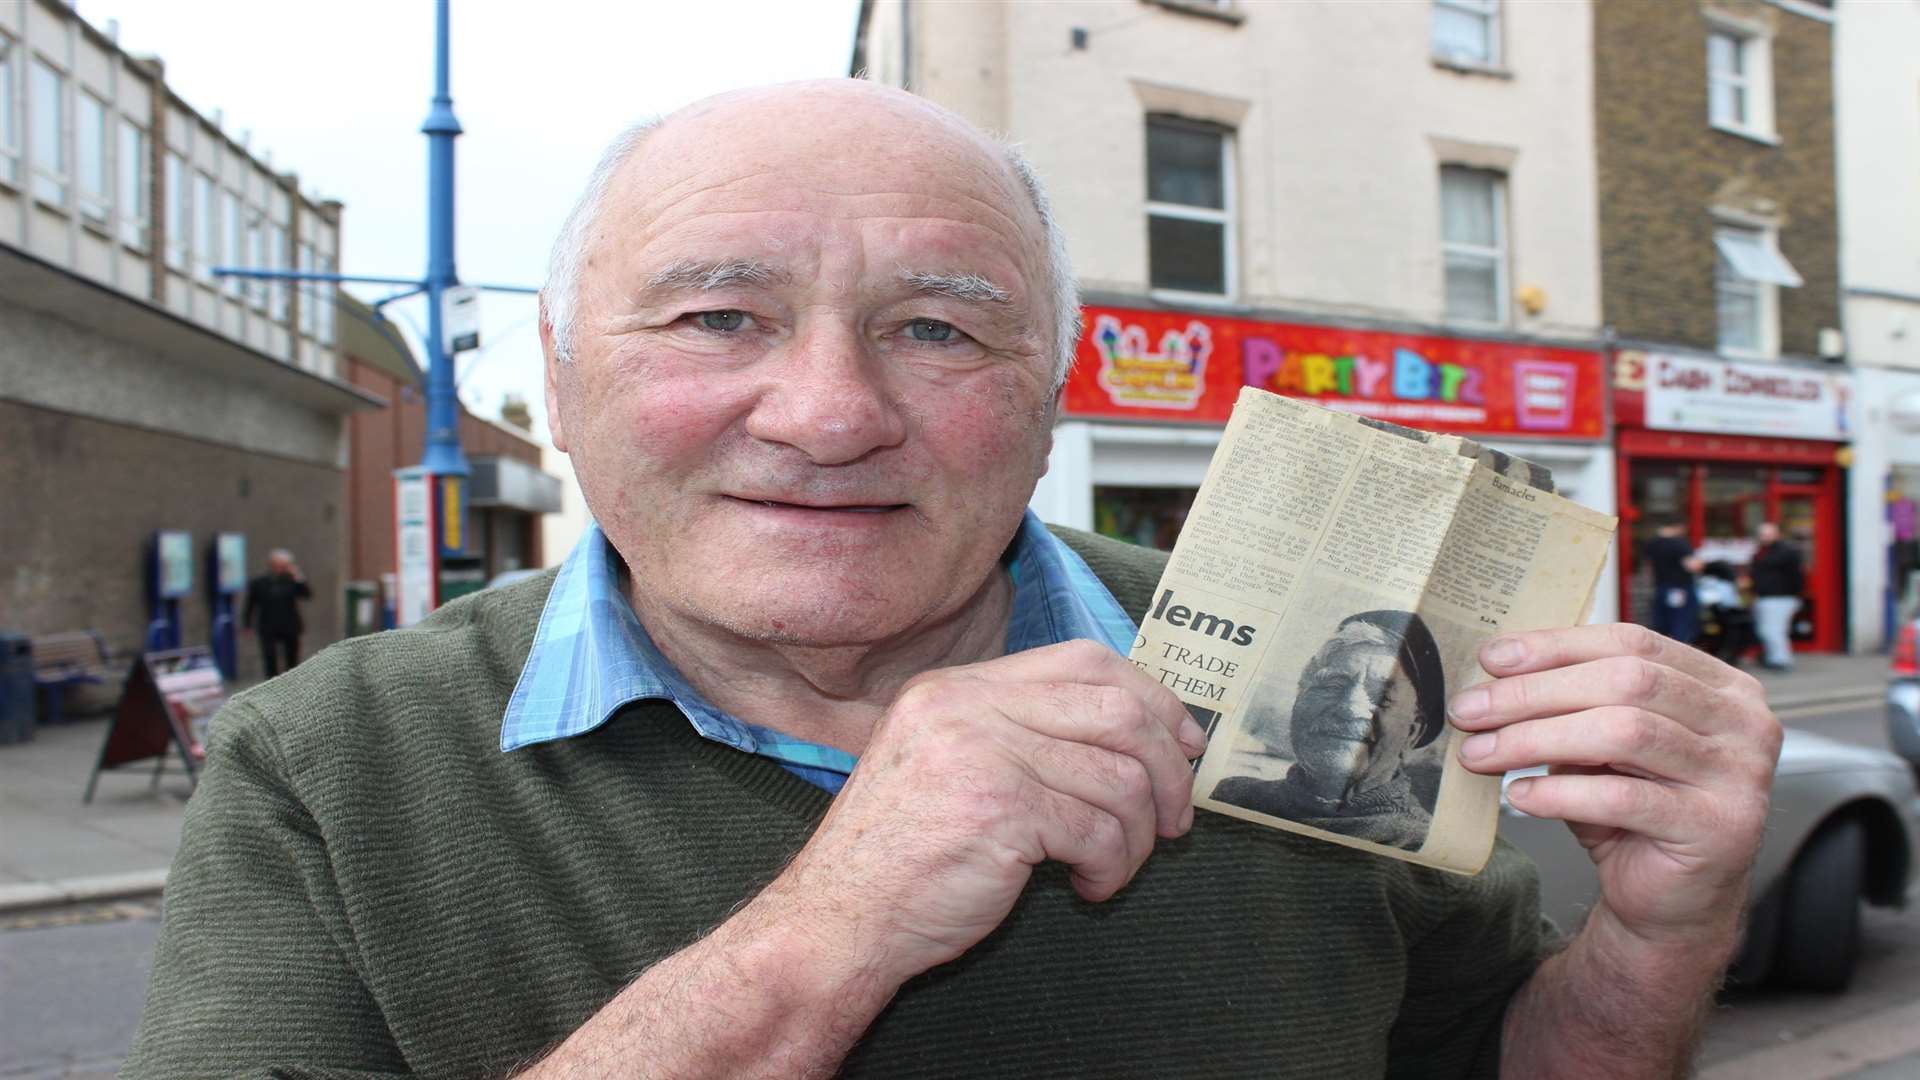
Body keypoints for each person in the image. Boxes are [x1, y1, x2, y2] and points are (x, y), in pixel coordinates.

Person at [126, 80, 1782, 1079]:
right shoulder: (320, 769)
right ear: (560, 383)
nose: (833, 413)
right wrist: (820, 937)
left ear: (1050, 387)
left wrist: (1660, 933)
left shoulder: (1297, 665)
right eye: (719, 318)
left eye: (938, 328)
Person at [1211, 609, 1444, 850]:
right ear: (1300, 697)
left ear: (1413, 732)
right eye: (1332, 684)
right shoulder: (1232, 796)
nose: (1349, 708)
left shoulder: (1419, 843)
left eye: (1381, 696)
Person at [241, 548, 310, 678]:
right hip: (268, 625)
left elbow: (306, 594)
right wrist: (247, 624)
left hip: (290, 625)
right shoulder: (259, 582)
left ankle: (291, 683)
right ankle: (271, 684)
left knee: (292, 658)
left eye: (283, 565)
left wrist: (298, 576)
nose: (279, 568)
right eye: (276, 565)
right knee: (269, 657)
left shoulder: (292, 581)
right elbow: (250, 604)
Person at [1749, 521, 1806, 671]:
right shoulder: (1762, 552)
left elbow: (1797, 576)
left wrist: (1795, 594)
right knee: (1767, 630)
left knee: (1773, 630)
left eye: (1768, 534)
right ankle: (1773, 657)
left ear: (1777, 534)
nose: (1764, 537)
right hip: (1765, 597)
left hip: (1780, 597)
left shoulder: (1785, 552)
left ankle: (1781, 660)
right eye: (1762, 534)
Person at [1641, 518, 1703, 643]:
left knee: (1661, 625)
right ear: (1680, 527)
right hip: (1679, 589)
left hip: (1661, 587)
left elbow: (1648, 568)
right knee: (1681, 623)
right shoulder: (1680, 543)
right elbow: (1692, 565)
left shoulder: (1652, 543)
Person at [1696, 560, 1755, 666]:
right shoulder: (1713, 583)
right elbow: (1727, 602)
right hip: (1722, 616)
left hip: (1725, 616)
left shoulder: (1709, 582)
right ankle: (1730, 655)